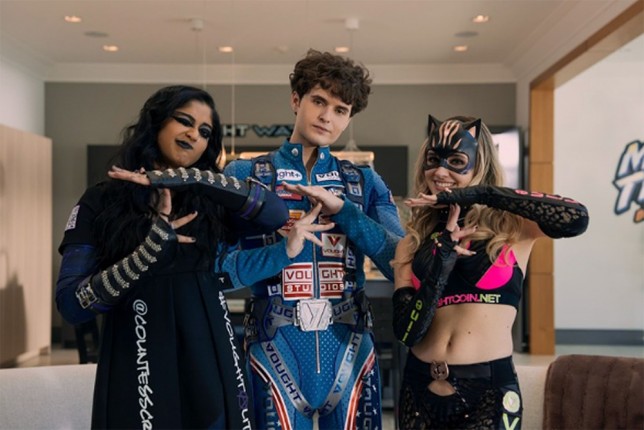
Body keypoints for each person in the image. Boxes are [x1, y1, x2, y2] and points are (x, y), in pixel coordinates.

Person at [56, 85, 332, 429]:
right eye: (184, 121)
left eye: (205, 132)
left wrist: (191, 179)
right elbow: (72, 303)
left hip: (209, 355)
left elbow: (275, 213)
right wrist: (145, 255)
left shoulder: (210, 199)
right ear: (156, 122)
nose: (193, 135)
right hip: (138, 356)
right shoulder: (101, 201)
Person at [223, 49, 405, 429]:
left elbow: (400, 266)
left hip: (351, 350)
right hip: (274, 349)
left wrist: (346, 212)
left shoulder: (364, 181)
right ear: (296, 100)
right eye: (319, 101)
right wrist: (281, 252)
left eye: (340, 109)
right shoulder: (244, 175)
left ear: (349, 118)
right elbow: (216, 271)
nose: (327, 116)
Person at [391, 115, 590, 429]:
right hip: (418, 391)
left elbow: (576, 217)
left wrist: (479, 194)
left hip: (488, 394)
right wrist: (440, 265)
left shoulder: (514, 227)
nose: (440, 172)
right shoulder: (412, 241)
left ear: (480, 164)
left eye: (457, 161)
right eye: (433, 160)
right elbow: (406, 333)